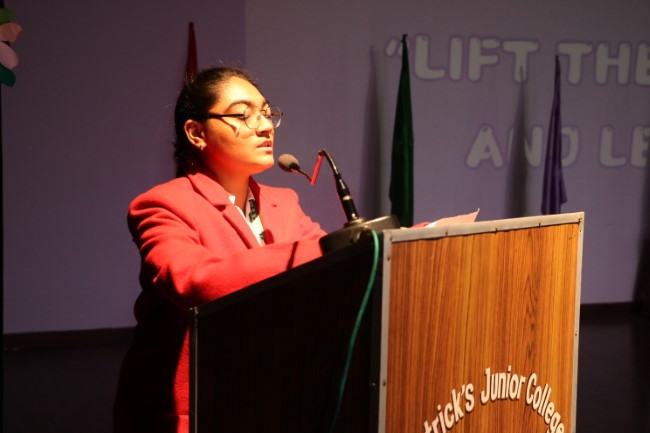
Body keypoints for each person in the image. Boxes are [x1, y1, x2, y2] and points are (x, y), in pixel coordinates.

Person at [113, 66, 327, 433]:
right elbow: (194, 281)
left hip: (272, 403)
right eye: (244, 115)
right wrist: (318, 252)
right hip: (195, 414)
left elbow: (336, 263)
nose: (265, 126)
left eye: (267, 113)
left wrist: (414, 235)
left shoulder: (285, 202)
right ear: (196, 132)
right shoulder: (163, 205)